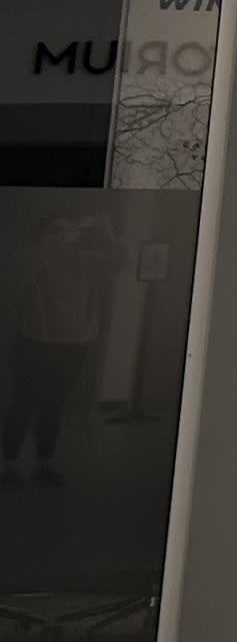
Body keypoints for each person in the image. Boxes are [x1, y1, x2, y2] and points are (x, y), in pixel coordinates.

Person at [8, 208, 119, 487]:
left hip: (75, 344)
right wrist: (60, 237)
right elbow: (28, 266)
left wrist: (102, 228)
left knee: (53, 404)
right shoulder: (35, 257)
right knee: (23, 402)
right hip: (35, 340)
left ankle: (44, 463)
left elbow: (121, 259)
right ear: (42, 236)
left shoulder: (89, 261)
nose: (65, 234)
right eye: (56, 229)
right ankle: (8, 464)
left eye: (67, 229)